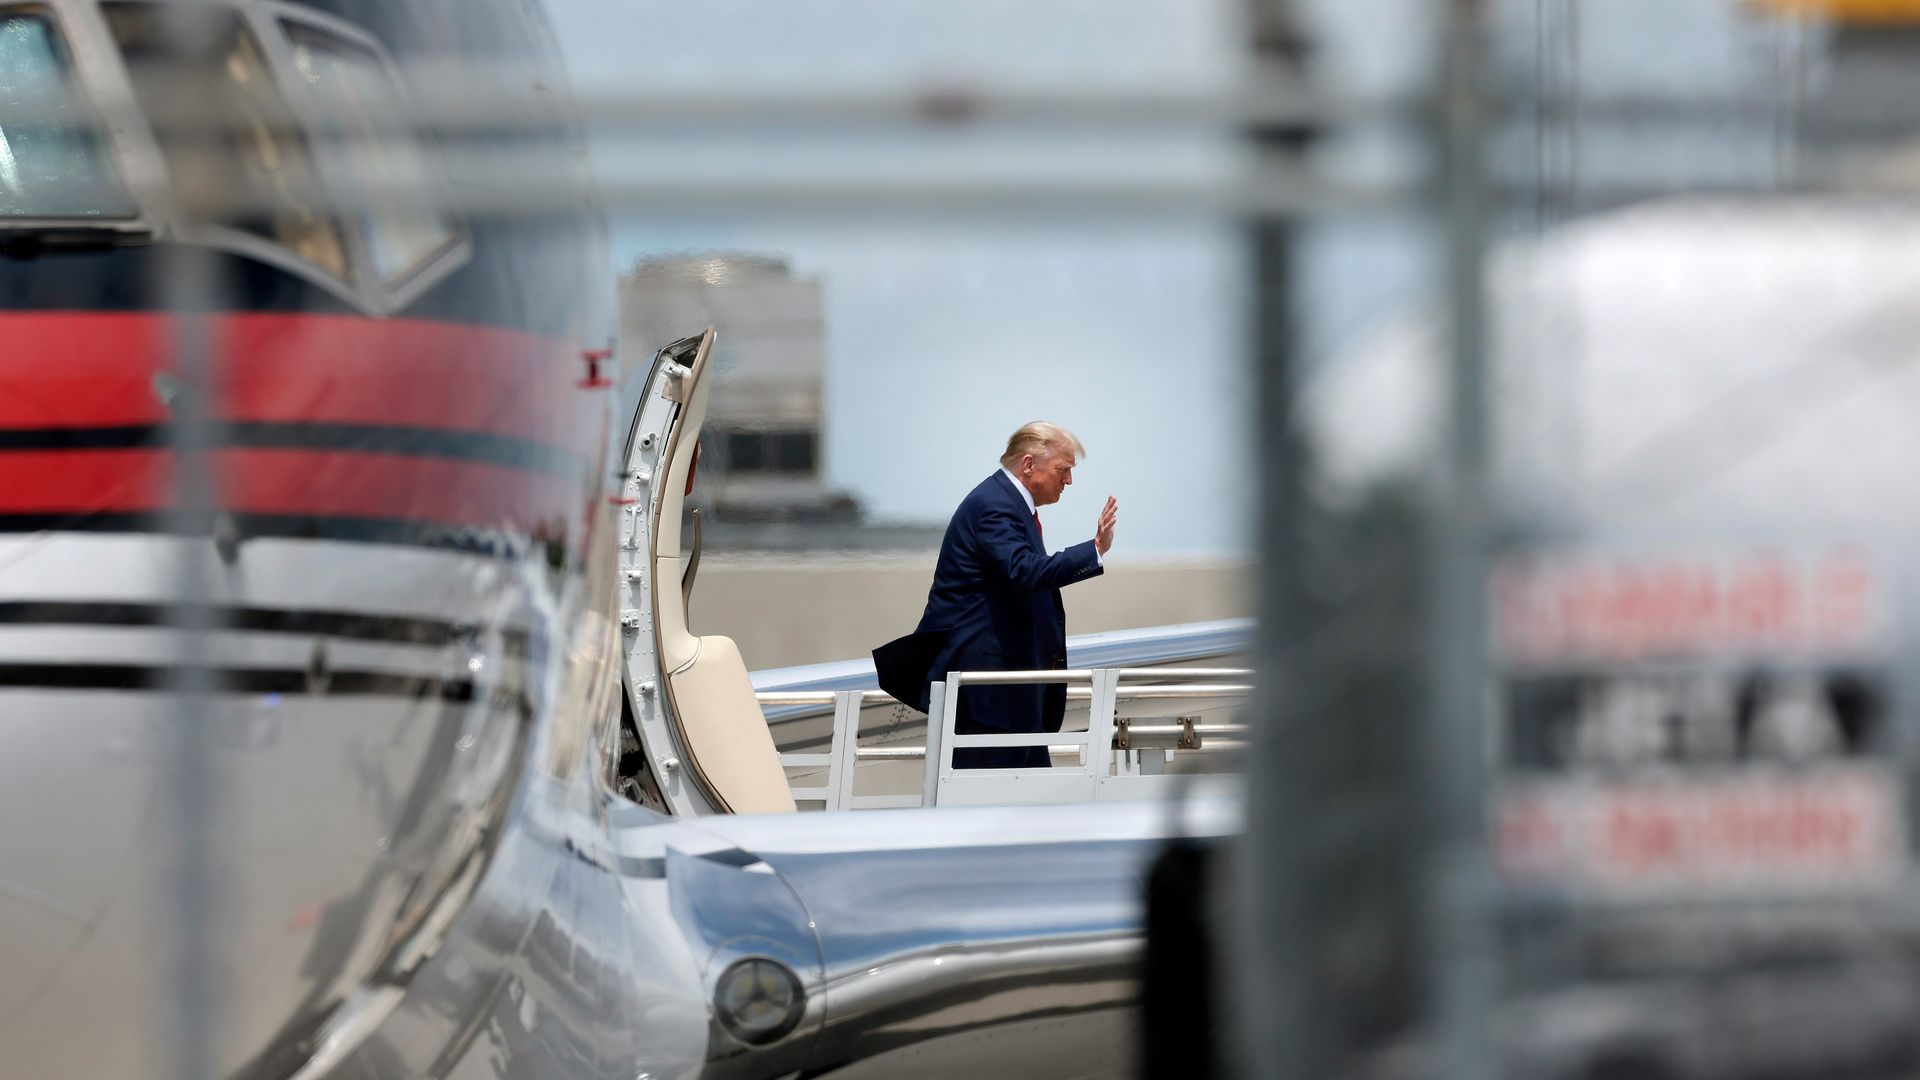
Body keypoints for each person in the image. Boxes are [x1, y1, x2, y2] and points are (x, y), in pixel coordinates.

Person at [874, 421, 1118, 769]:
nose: (1068, 480)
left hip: (1013, 695)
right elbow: (1024, 571)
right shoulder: (994, 505)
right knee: (990, 799)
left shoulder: (1010, 505)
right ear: (1029, 464)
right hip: (988, 696)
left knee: (1028, 799)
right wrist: (1093, 550)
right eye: (1063, 469)